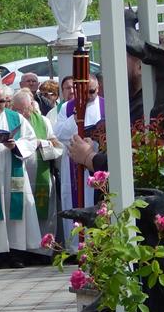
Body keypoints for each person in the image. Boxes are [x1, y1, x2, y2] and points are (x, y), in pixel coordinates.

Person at [0, 83, 42, 268]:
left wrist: (14, 146)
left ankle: (16, 252)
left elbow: (31, 140)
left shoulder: (16, 118)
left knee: (14, 209)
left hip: (12, 169)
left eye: (3, 101)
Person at [55, 74, 103, 251]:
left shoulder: (105, 105)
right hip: (74, 164)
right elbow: (58, 133)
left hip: (96, 163)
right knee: (76, 201)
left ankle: (97, 244)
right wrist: (74, 119)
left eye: (94, 91)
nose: (90, 95)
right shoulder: (67, 108)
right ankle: (76, 247)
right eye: (87, 91)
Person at [11, 89, 63, 251]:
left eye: (24, 109)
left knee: (43, 213)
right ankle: (22, 249)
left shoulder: (43, 121)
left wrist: (42, 143)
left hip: (40, 176)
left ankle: (42, 250)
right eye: (17, 109)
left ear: (32, 106)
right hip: (18, 174)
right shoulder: (10, 121)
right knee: (22, 212)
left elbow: (57, 146)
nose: (21, 113)